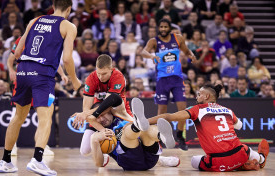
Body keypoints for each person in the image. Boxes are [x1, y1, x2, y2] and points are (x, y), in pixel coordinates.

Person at [0, 0, 81, 175]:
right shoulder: (68, 26)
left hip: (23, 71)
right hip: (42, 75)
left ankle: (5, 161)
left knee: (18, 117)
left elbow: (18, 51)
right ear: (69, 9)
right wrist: (74, 80)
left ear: (53, 5)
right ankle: (37, 159)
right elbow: (67, 59)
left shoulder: (34, 20)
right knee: (45, 117)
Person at [145, 84, 269, 172]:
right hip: (239, 155)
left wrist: (146, 121)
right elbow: (239, 126)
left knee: (194, 160)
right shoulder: (227, 110)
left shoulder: (197, 109)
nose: (196, 97)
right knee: (245, 148)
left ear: (206, 96)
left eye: (199, 94)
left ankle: (240, 166)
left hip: (218, 163)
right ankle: (260, 158)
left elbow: (169, 116)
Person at [141, 18, 197, 151]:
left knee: (182, 109)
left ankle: (180, 136)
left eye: (166, 27)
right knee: (161, 111)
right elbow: (143, 52)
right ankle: (160, 137)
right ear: (158, 28)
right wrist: (151, 56)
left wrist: (191, 54)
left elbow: (186, 50)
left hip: (177, 79)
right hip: (162, 80)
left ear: (169, 28)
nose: (164, 29)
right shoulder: (154, 41)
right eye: (161, 27)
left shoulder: (177, 38)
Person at [86, 97, 179, 170]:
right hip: (129, 162)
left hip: (151, 159)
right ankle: (137, 126)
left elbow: (115, 97)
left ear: (108, 110)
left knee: (147, 129)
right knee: (127, 133)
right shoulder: (97, 134)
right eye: (97, 118)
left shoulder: (121, 114)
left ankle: (160, 135)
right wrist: (94, 141)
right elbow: (99, 164)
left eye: (102, 114)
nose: (101, 119)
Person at [72, 54, 134, 131]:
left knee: (133, 134)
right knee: (90, 140)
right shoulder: (91, 78)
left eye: (104, 74)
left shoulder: (118, 76)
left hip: (117, 110)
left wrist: (87, 114)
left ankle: (135, 124)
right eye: (98, 73)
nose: (101, 77)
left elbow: (108, 105)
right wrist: (87, 115)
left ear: (111, 69)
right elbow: (86, 108)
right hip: (97, 113)